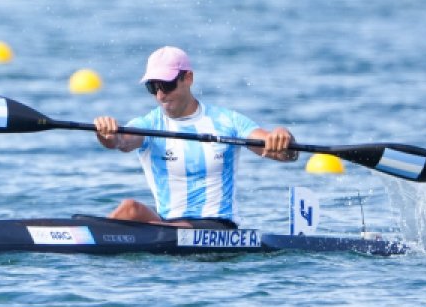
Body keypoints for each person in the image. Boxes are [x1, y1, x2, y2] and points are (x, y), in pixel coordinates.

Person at [94, 46, 297, 227]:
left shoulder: (227, 121)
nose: (160, 95)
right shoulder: (149, 124)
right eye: (153, 87)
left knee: (167, 229)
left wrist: (283, 137)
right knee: (130, 208)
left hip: (216, 225)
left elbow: (283, 153)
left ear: (188, 78)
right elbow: (120, 141)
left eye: (166, 85)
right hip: (169, 225)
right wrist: (107, 134)